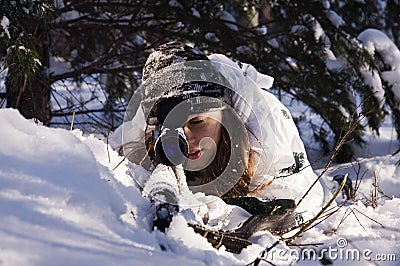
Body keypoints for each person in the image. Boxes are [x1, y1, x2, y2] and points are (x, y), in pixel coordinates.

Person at [110, 41, 326, 240]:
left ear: (225, 114)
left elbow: (298, 201)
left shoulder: (264, 133)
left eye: (197, 122)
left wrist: (222, 208)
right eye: (173, 127)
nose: (187, 137)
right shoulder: (145, 135)